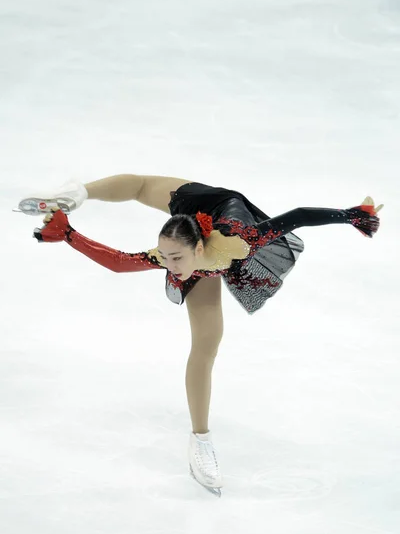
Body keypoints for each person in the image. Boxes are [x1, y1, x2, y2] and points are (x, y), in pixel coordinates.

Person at [15, 174, 382, 497]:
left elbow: (299, 216)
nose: (167, 266)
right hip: (192, 207)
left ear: (199, 247)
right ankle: (77, 192)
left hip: (223, 207)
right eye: (164, 257)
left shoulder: (242, 242)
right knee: (141, 186)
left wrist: (353, 216)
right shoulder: (173, 252)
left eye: (174, 258)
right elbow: (119, 262)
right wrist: (67, 234)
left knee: (207, 347)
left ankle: (199, 442)